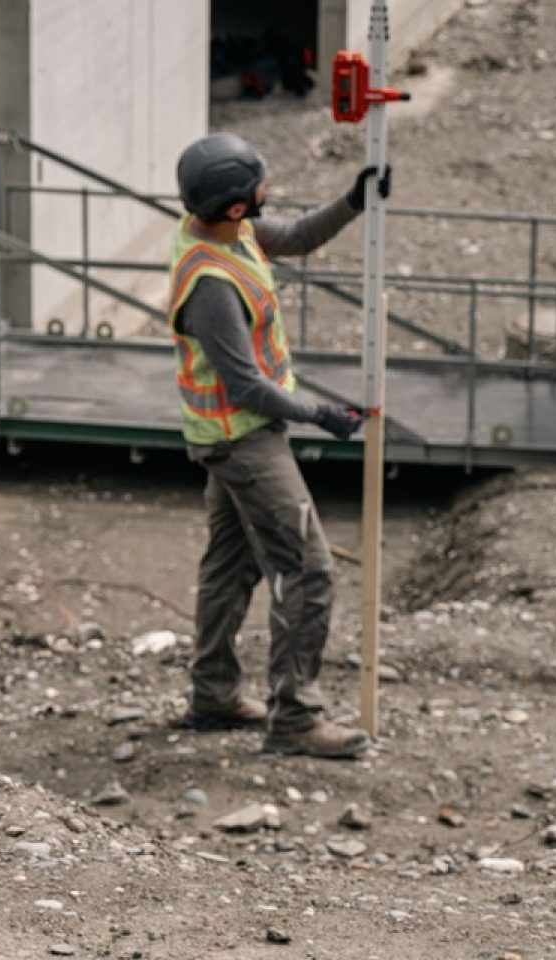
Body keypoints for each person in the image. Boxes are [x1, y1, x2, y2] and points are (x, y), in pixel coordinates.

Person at [168, 132, 388, 759]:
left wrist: (353, 200)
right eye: (258, 182)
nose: (269, 185)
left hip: (227, 439)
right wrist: (321, 413)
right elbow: (245, 385)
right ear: (236, 207)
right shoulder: (211, 284)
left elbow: (293, 236)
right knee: (308, 571)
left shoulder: (218, 229)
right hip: (243, 442)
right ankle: (295, 717)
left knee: (229, 566)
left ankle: (212, 694)